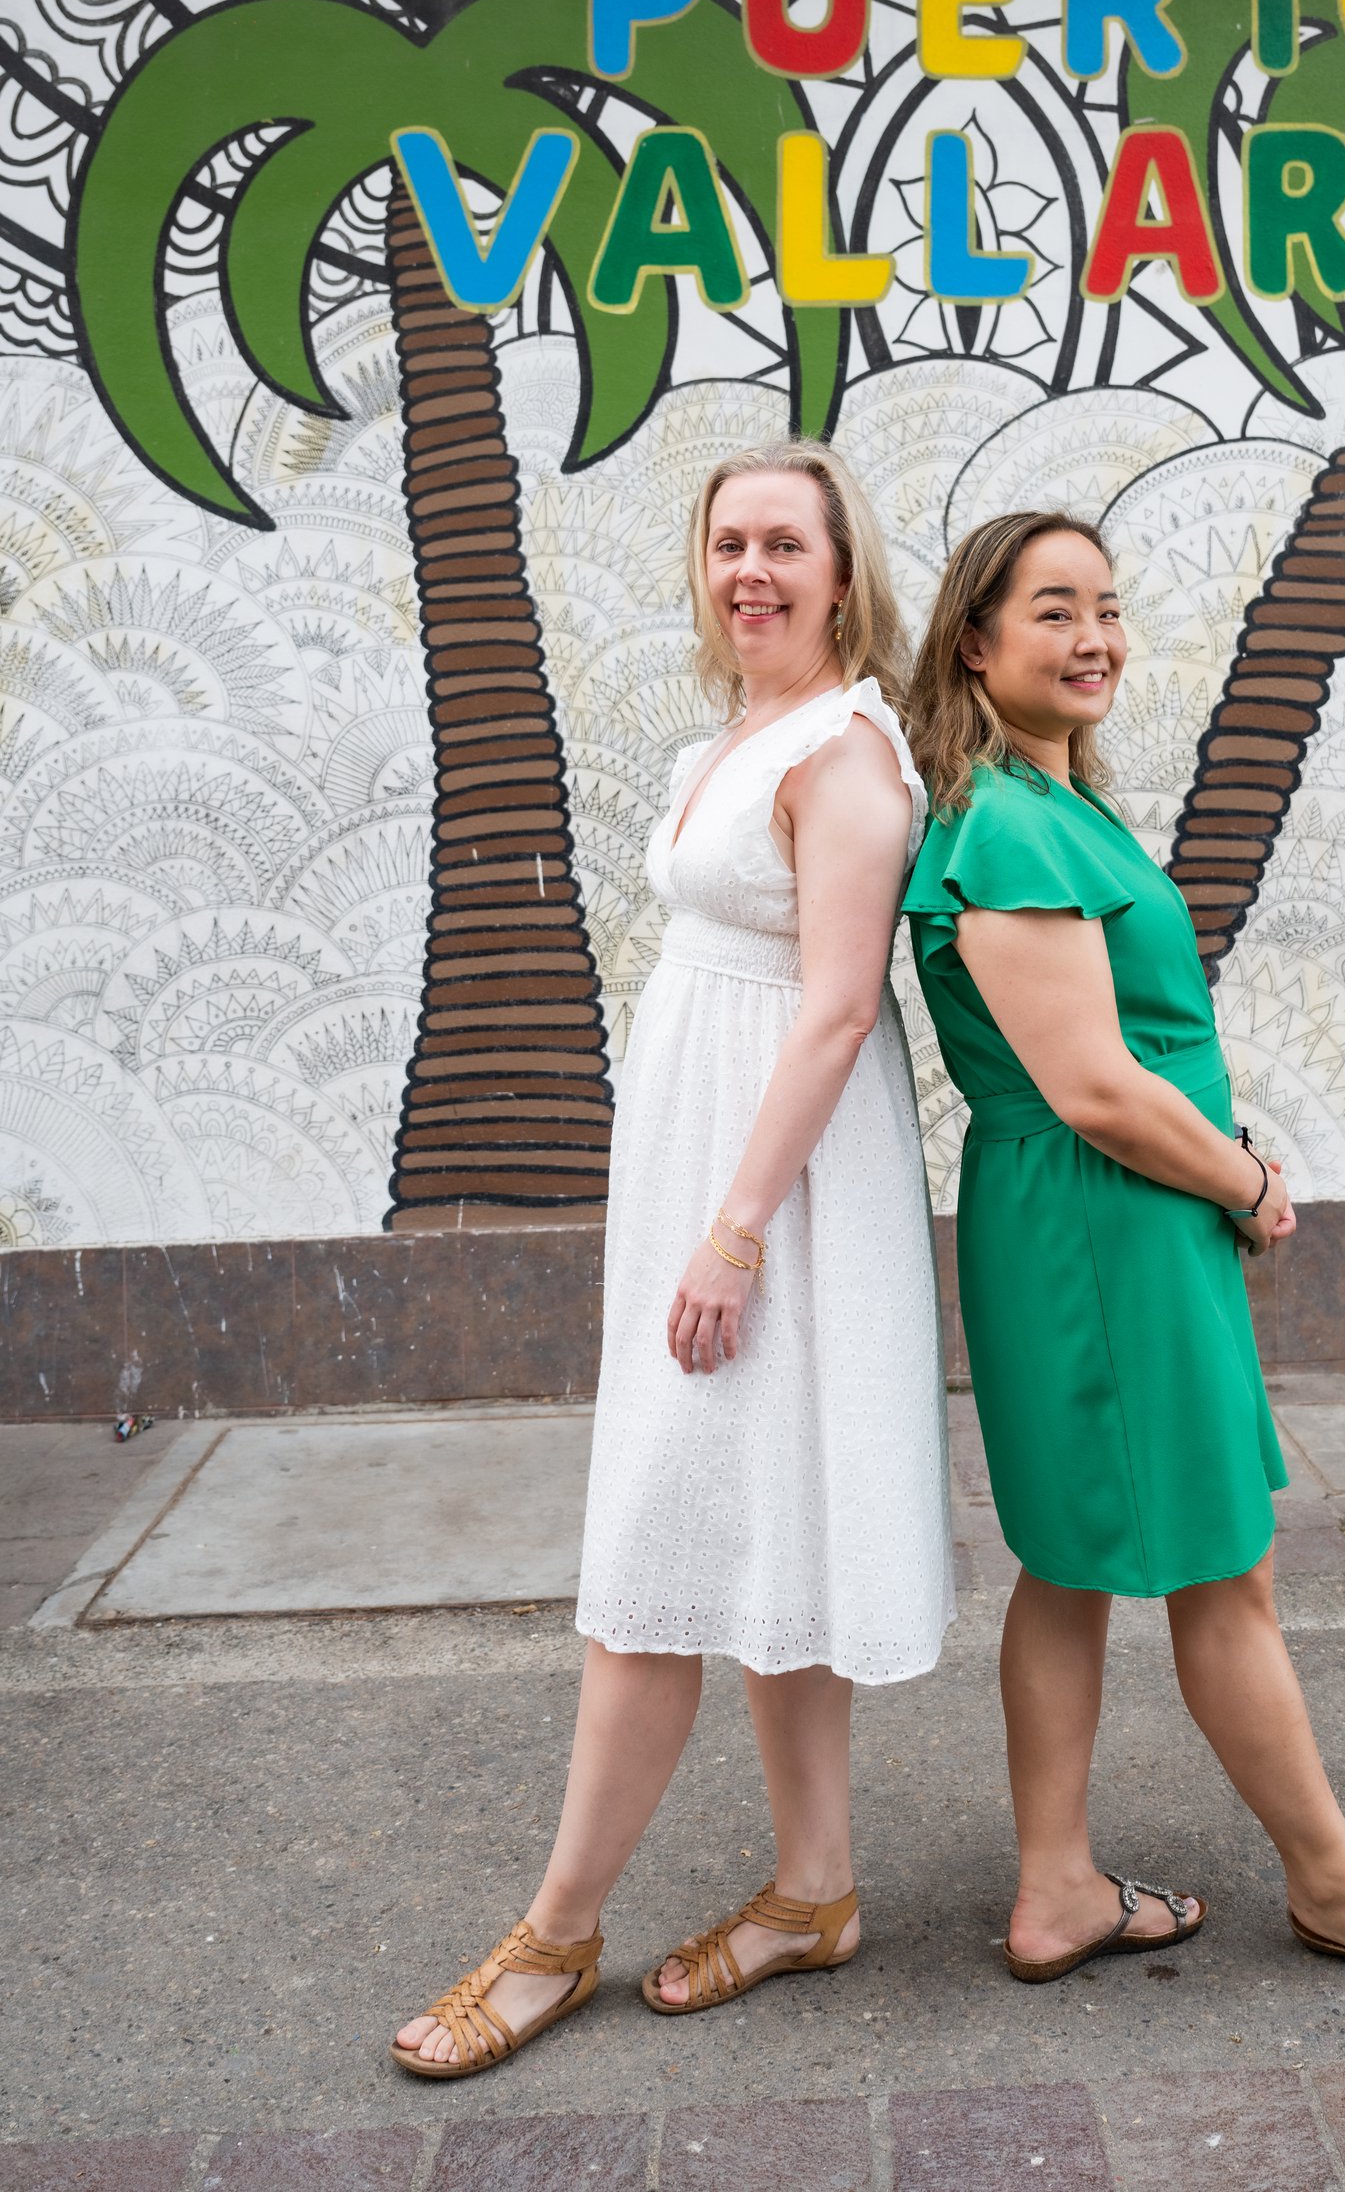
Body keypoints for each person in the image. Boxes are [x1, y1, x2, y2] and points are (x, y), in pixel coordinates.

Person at [393, 441, 953, 2077]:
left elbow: (837, 1011)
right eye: (728, 544)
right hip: (717, 1178)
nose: (750, 571)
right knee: (763, 1533)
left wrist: (735, 1230)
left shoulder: (846, 756)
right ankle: (816, 1889)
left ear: (843, 576)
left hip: (775, 1201)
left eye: (785, 544)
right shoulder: (748, 732)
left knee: (655, 1545)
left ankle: (553, 1938)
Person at [901, 510, 1345, 1986]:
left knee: (1069, 1566)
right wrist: (1242, 1181)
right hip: (1105, 1226)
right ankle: (1340, 1889)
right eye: (1055, 610)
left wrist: (1223, 1162)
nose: (1094, 638)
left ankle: (1057, 1891)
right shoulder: (1009, 825)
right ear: (974, 642)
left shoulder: (1045, 805)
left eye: (1108, 608)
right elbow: (1096, 1089)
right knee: (1222, 1571)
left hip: (1101, 1219)